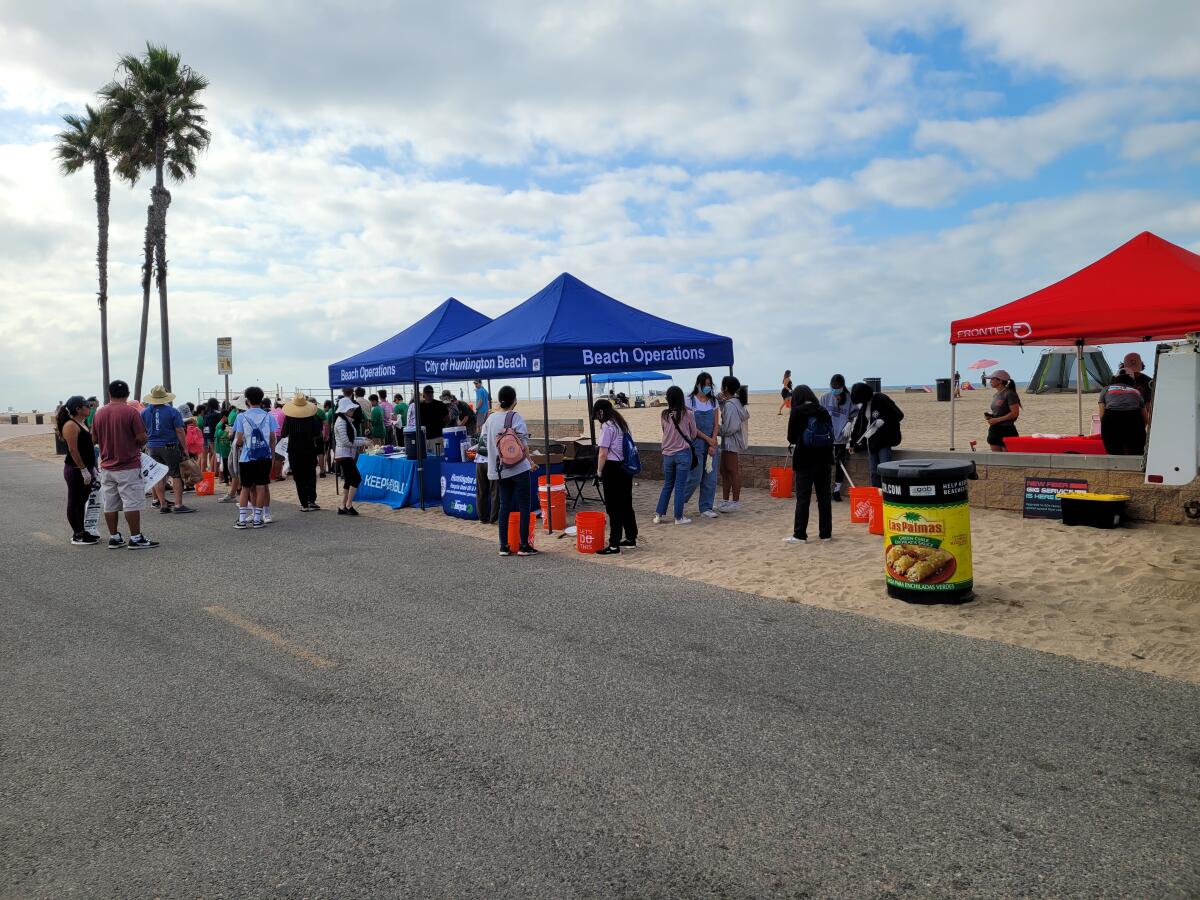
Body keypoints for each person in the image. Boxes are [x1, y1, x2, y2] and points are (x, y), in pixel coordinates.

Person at [91, 379, 157, 549]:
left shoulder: (99, 413)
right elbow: (142, 437)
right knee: (131, 502)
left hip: (106, 465)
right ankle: (135, 538)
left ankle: (114, 537)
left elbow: (94, 438)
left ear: (109, 394)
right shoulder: (131, 412)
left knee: (110, 503)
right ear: (127, 395)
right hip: (128, 465)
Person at [480, 385, 539, 556]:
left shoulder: (490, 419)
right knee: (524, 506)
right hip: (519, 468)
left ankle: (503, 546)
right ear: (514, 400)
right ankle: (523, 545)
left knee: (504, 505)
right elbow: (524, 445)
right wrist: (531, 462)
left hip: (500, 469)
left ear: (500, 400)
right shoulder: (516, 417)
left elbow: (485, 440)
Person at [785, 385, 834, 544]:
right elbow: (830, 435)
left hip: (804, 460)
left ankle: (800, 534)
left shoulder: (797, 411)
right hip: (825, 459)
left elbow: (791, 438)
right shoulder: (822, 410)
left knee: (803, 498)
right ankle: (826, 534)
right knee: (824, 498)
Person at [592, 398, 637, 554]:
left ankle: (614, 545)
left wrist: (598, 472)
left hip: (612, 469)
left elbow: (602, 453)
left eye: (597, 416)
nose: (597, 419)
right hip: (625, 468)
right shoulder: (621, 423)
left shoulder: (607, 426)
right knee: (626, 504)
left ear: (601, 412)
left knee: (613, 508)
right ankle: (631, 538)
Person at [141, 385, 195, 514]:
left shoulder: (144, 412)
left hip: (152, 446)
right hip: (170, 445)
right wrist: (185, 448)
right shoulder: (172, 411)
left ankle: (163, 504)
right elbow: (180, 430)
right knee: (176, 474)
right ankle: (178, 504)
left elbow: (142, 430)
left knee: (158, 475)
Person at [232, 386, 276, 529]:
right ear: (261, 399)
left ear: (247, 400)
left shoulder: (241, 417)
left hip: (247, 458)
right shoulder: (268, 416)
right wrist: (273, 455)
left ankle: (242, 520)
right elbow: (272, 438)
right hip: (265, 456)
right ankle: (258, 519)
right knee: (261, 487)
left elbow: (238, 440)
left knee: (245, 488)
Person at [653, 385, 698, 525]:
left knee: (667, 484)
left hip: (667, 454)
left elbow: (664, 431)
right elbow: (694, 433)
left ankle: (658, 515)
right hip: (683, 454)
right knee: (679, 486)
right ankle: (678, 517)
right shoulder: (688, 413)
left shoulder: (664, 414)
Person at [58, 395, 98, 545]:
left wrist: (91, 467)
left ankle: (81, 530)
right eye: (87, 405)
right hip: (75, 470)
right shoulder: (71, 425)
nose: (90, 407)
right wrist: (83, 469)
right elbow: (73, 450)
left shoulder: (81, 423)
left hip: (85, 468)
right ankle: (78, 534)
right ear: (78, 408)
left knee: (82, 501)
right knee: (74, 502)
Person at [849, 382, 904, 488]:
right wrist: (853, 443)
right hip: (871, 442)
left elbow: (898, 414)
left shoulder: (881, 398)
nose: (860, 402)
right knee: (874, 472)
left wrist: (883, 420)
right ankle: (876, 496)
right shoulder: (864, 405)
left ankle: (887, 496)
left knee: (885, 470)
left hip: (884, 441)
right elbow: (859, 426)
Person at [683, 372, 722, 518]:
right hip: (696, 443)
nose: (707, 387)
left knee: (710, 477)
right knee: (695, 476)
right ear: (698, 384)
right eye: (704, 384)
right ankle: (680, 501)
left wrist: (713, 441)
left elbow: (715, 423)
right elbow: (691, 426)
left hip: (711, 444)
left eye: (709, 385)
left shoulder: (713, 402)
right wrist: (707, 439)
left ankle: (706, 507)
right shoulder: (689, 401)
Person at [820, 374, 858, 502]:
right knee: (825, 465)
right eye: (833, 390)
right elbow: (819, 415)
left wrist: (849, 422)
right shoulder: (825, 398)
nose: (835, 394)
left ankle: (836, 491)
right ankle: (824, 492)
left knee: (840, 464)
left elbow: (856, 416)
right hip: (827, 437)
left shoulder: (849, 399)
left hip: (841, 437)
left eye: (838, 390)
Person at [281, 392, 322, 511]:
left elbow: (284, 433)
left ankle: (304, 504)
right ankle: (312, 500)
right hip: (309, 449)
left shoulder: (289, 418)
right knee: (310, 475)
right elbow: (317, 433)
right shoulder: (311, 417)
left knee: (298, 477)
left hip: (294, 450)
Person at [717, 375, 749, 512]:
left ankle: (735, 502)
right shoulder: (734, 403)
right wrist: (721, 403)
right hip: (729, 442)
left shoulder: (731, 405)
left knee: (732, 471)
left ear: (725, 388)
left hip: (731, 442)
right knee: (724, 471)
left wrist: (716, 429)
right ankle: (725, 500)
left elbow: (729, 427)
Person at [1098, 372, 1148, 455]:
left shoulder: (1106, 389)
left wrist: (1106, 429)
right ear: (1131, 384)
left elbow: (1102, 414)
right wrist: (1140, 430)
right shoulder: (1136, 392)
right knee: (1136, 452)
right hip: (1134, 419)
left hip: (1111, 418)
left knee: (1114, 452)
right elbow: (1146, 418)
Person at [332, 397, 361, 515]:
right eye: (351, 409)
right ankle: (348, 505)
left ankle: (343, 505)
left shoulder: (344, 421)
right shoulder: (342, 422)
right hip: (344, 454)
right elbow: (347, 442)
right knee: (356, 478)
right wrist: (363, 442)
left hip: (345, 454)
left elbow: (350, 439)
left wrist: (363, 439)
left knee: (349, 479)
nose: (353, 410)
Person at [984, 370, 1021, 452]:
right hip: (994, 430)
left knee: (1009, 460)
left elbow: (1015, 413)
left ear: (1000, 381)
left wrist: (996, 420)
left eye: (992, 379)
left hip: (1007, 430)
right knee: (996, 460)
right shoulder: (996, 395)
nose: (990, 381)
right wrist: (991, 416)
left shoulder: (1009, 393)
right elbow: (1000, 412)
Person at [418, 385, 449, 456]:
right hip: (424, 438)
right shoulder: (419, 406)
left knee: (439, 459)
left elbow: (447, 418)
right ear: (424, 394)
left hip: (437, 437)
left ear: (433, 393)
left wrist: (442, 426)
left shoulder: (440, 404)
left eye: (431, 393)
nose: (429, 394)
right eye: (427, 393)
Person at [201, 398, 222, 473]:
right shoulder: (217, 414)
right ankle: (213, 470)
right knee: (215, 453)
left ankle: (202, 471)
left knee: (204, 456)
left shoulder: (205, 414)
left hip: (205, 435)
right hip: (213, 436)